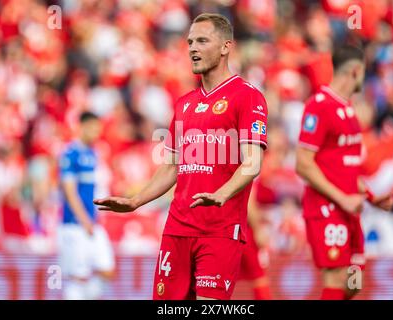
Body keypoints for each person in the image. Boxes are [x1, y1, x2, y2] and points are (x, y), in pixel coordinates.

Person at [94, 13, 268, 300]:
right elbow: (172, 166)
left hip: (219, 229)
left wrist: (222, 194)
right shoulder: (185, 103)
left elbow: (252, 162)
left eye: (202, 40)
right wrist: (136, 200)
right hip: (177, 228)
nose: (192, 48)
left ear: (226, 46)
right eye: (190, 42)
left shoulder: (247, 97)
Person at [295, 45, 393, 300]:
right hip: (326, 208)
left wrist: (373, 197)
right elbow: (303, 164)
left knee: (353, 282)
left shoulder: (348, 110)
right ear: (355, 71)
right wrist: (343, 199)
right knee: (337, 279)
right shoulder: (319, 106)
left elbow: (345, 170)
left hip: (348, 209)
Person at [58, 111, 115, 300]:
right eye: (91, 127)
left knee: (108, 270)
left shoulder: (93, 153)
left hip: (92, 223)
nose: (95, 132)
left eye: (98, 128)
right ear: (81, 127)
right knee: (77, 278)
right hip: (75, 225)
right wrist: (83, 220)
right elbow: (69, 191)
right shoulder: (70, 154)